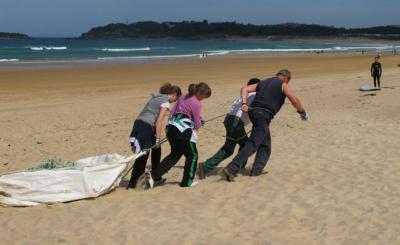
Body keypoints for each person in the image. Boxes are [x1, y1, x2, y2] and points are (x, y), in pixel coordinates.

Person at [222, 69, 308, 182]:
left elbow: (245, 88)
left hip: (254, 113)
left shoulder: (262, 82)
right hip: (263, 115)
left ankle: (256, 169)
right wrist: (302, 112)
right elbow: (293, 99)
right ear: (286, 79)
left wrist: (244, 103)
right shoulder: (283, 84)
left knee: (265, 143)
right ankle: (231, 168)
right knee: (253, 143)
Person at [139, 82, 212, 189]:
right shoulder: (196, 102)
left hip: (171, 128)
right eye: (203, 97)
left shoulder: (183, 96)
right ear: (199, 93)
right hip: (182, 131)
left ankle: (153, 175)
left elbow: (174, 112)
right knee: (193, 155)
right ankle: (187, 182)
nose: (202, 99)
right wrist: (200, 123)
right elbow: (196, 123)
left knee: (174, 155)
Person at [197, 78, 261, 179]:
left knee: (244, 145)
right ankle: (205, 167)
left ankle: (238, 166)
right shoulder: (253, 94)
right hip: (236, 121)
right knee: (230, 148)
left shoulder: (244, 95)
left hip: (231, 120)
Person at [127, 83, 182, 189]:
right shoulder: (165, 102)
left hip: (139, 124)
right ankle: (133, 184)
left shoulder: (157, 98)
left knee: (157, 150)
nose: (175, 101)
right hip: (146, 127)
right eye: (176, 98)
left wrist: (157, 141)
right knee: (143, 154)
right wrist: (157, 138)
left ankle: (156, 177)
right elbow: (158, 122)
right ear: (174, 94)